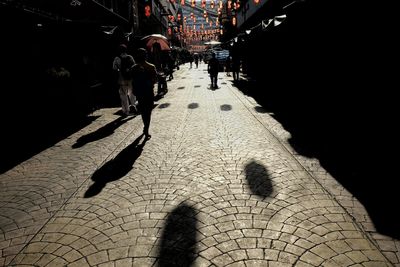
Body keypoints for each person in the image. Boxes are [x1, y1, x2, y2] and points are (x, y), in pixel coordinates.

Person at [131, 48, 158, 139]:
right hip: (148, 92)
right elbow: (154, 80)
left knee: (143, 111)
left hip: (139, 92)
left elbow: (133, 81)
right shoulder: (151, 66)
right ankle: (146, 128)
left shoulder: (134, 68)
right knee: (148, 111)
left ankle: (145, 127)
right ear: (146, 56)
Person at [112, 44, 137, 116]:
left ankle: (126, 111)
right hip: (130, 79)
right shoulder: (130, 57)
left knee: (123, 95)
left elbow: (114, 68)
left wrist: (119, 70)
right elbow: (134, 66)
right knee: (131, 93)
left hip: (122, 79)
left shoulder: (117, 58)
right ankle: (133, 106)